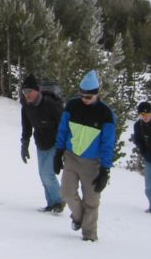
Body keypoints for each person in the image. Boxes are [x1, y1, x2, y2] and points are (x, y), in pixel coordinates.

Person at [53, 69, 116, 242]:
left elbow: (108, 144)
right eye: (82, 96)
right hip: (71, 157)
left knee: (91, 200)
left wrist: (105, 169)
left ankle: (89, 235)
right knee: (66, 192)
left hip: (93, 163)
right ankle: (79, 218)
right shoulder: (72, 106)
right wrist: (58, 153)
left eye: (89, 97)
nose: (85, 100)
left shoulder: (106, 114)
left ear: (97, 94)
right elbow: (63, 130)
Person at [19, 73, 65, 213]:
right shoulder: (26, 107)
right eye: (24, 92)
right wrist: (24, 144)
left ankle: (59, 201)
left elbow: (63, 124)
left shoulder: (49, 104)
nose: (27, 94)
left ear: (36, 90)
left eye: (29, 91)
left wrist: (63, 148)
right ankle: (51, 204)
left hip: (55, 142)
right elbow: (26, 127)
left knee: (47, 174)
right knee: (43, 174)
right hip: (40, 142)